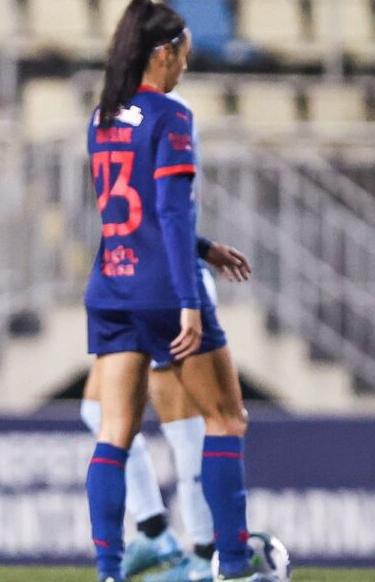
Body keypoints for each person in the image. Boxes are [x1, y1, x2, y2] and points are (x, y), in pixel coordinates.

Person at [84, 0, 287, 582]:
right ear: (164, 53)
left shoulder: (102, 115)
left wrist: (207, 249)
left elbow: (126, 210)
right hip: (161, 291)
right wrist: (190, 301)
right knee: (226, 419)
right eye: (185, 56)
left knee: (113, 433)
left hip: (110, 285)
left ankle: (108, 572)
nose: (186, 67)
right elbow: (169, 216)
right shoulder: (173, 118)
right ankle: (232, 565)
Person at [82, 240, 252, 582]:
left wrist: (198, 252)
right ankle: (157, 531)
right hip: (135, 272)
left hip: (157, 275)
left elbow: (165, 208)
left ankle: (203, 553)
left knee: (186, 420)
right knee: (101, 412)